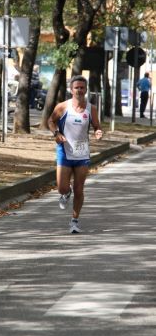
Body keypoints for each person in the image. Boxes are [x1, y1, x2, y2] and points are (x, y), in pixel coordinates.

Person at [48, 75, 102, 234]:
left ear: (85, 90)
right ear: (71, 90)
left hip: (82, 153)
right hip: (64, 151)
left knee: (79, 189)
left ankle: (74, 221)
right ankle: (66, 193)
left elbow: (97, 126)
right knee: (62, 187)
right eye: (76, 87)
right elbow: (50, 122)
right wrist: (56, 133)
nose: (79, 90)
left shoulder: (91, 108)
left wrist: (98, 132)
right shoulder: (63, 107)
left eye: (82, 87)